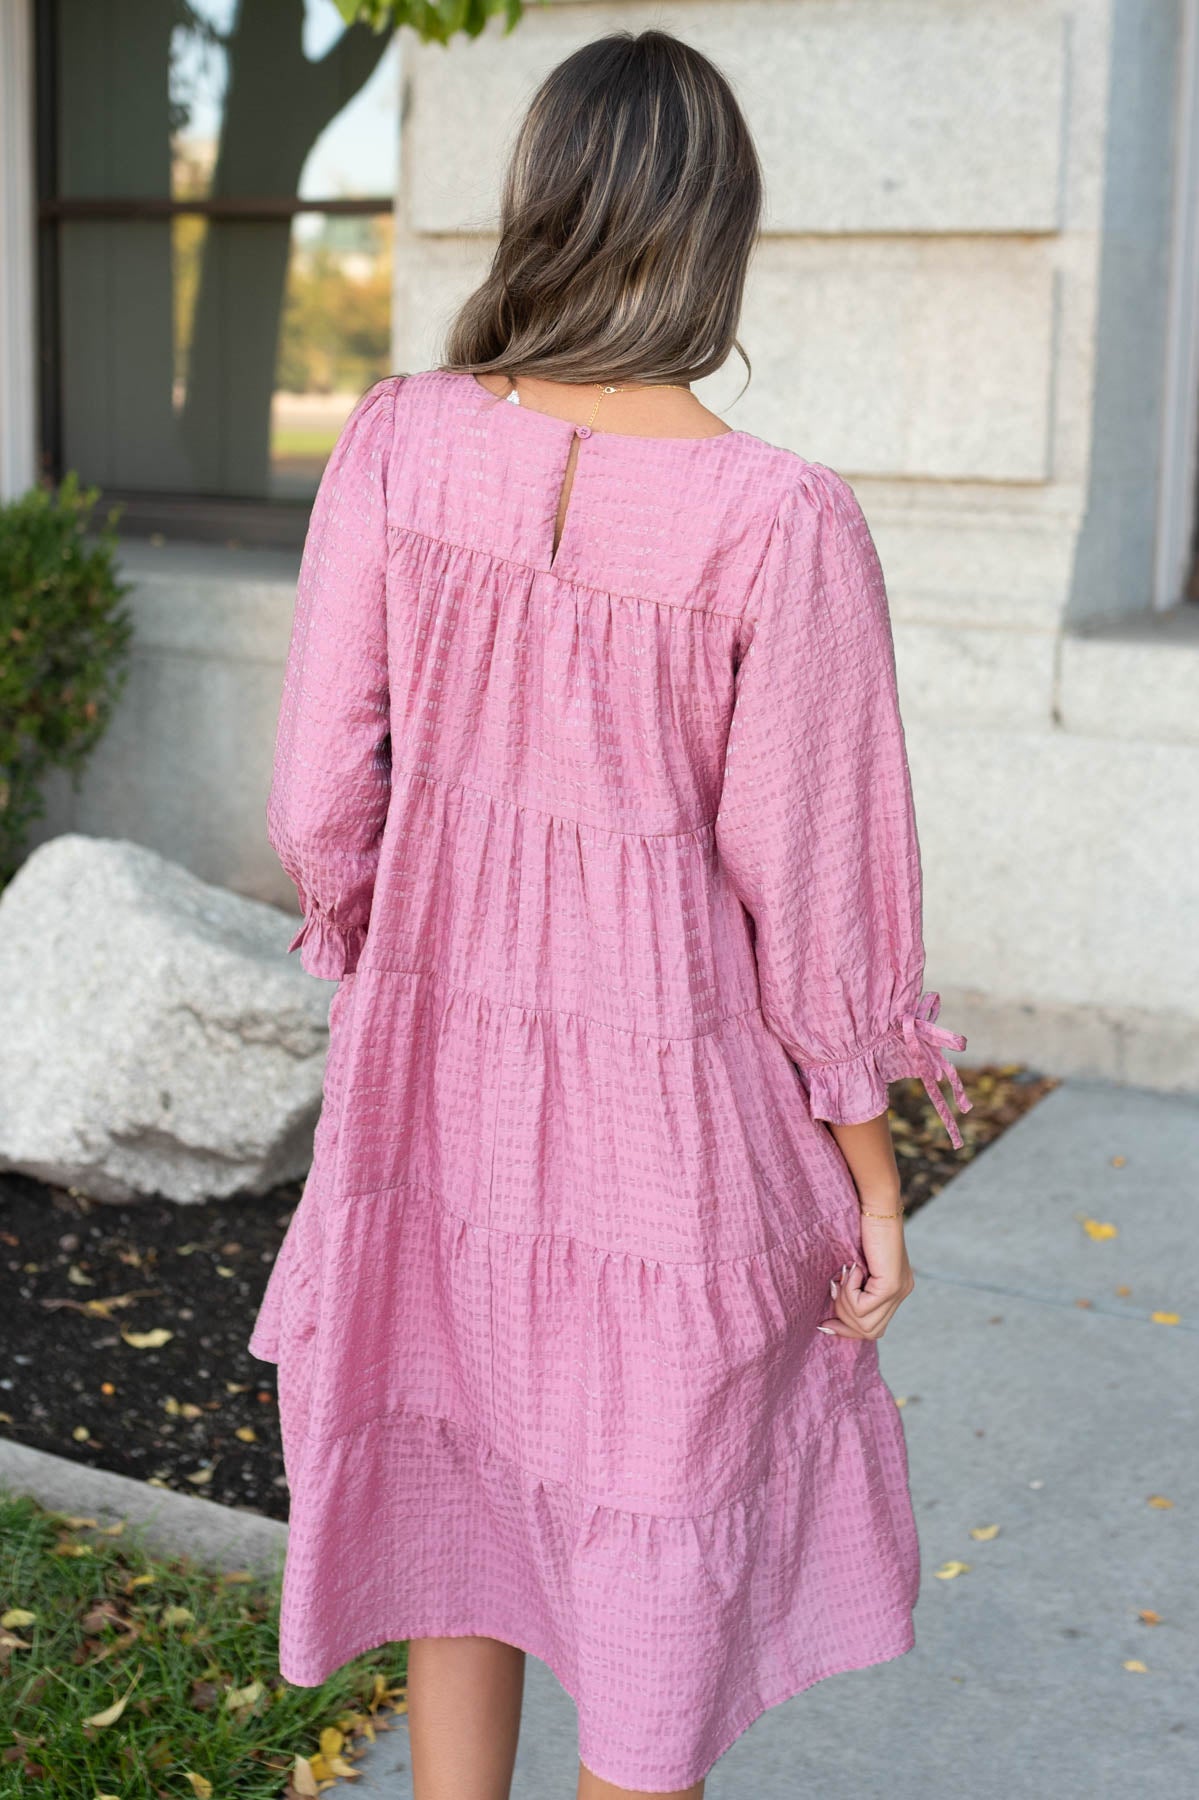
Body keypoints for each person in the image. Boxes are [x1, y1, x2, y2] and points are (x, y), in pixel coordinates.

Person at [250, 25, 971, 1800]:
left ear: (541, 204)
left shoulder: (403, 443)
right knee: (653, 1552)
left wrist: (398, 949)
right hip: (674, 1134)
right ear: (719, 232)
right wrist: (871, 1168)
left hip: (433, 1101)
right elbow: (818, 897)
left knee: (460, 1494)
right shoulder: (776, 519)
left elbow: (315, 805)